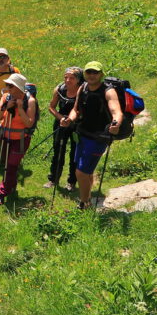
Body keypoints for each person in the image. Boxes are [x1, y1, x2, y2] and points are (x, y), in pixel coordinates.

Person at [60, 61, 123, 209]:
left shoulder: (108, 91)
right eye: (89, 72)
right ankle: (87, 198)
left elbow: (116, 111)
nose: (92, 75)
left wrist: (116, 123)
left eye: (95, 72)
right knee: (85, 171)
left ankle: (84, 203)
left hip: (98, 138)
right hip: (82, 134)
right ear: (85, 74)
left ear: (101, 74)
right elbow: (76, 110)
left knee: (80, 172)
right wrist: (70, 119)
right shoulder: (83, 88)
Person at [0, 73, 38, 206]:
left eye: (10, 86)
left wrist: (19, 108)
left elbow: (29, 123)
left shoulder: (30, 101)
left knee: (11, 166)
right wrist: (6, 107)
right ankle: (11, 186)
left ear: (18, 87)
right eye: (7, 85)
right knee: (8, 165)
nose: (7, 88)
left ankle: (1, 194)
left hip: (20, 140)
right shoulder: (5, 97)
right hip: (5, 137)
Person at [45, 67, 83, 191]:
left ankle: (71, 182)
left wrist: (70, 120)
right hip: (60, 124)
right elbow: (51, 107)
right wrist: (60, 118)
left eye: (71, 78)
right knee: (58, 151)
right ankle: (53, 179)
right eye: (66, 77)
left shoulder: (83, 90)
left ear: (78, 79)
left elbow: (79, 109)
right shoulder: (60, 89)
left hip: (77, 126)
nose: (67, 80)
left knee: (74, 153)